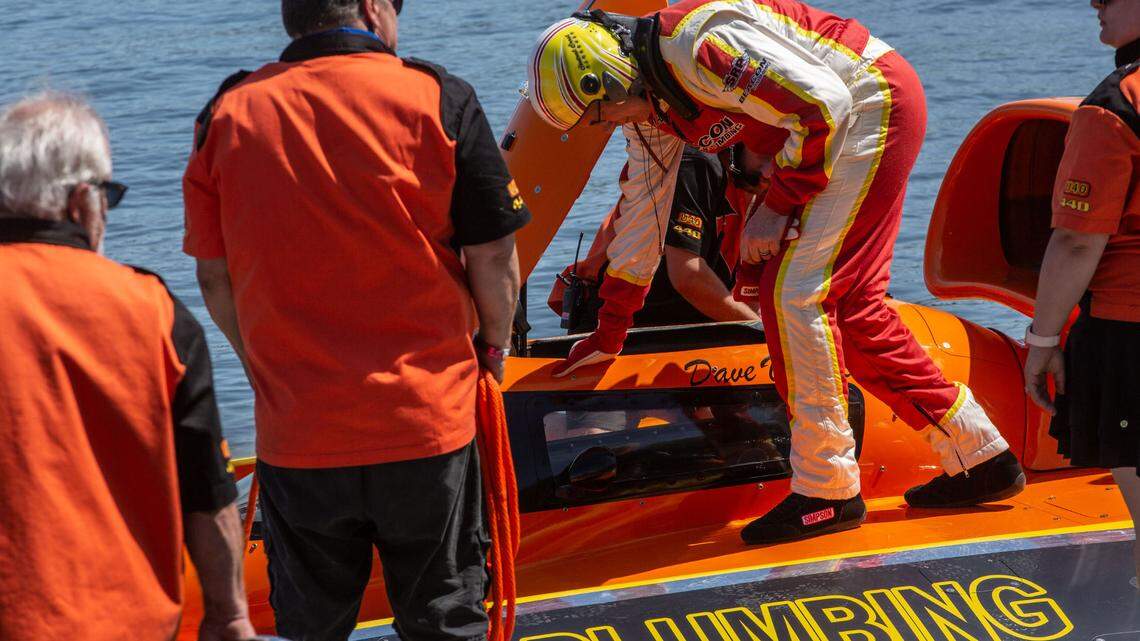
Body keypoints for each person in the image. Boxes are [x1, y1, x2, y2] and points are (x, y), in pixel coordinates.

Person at [527, 0, 1025, 544]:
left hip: (869, 100)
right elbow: (644, 218)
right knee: (852, 309)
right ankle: (981, 455)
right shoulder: (652, 114)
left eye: (602, 114)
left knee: (796, 297)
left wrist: (779, 204)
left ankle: (827, 490)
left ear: (615, 77)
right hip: (845, 117)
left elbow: (825, 104)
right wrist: (609, 331)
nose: (611, 124)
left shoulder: (699, 46)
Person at [182, 0, 530, 638]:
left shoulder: (227, 113)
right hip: (428, 423)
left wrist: (264, 366)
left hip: (300, 432)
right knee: (446, 621)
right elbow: (493, 252)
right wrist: (494, 348)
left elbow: (214, 276)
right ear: (372, 8)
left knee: (311, 626)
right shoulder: (438, 97)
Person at [0, 93, 252, 640]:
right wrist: (229, 614)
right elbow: (207, 491)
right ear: (81, 204)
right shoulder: (150, 310)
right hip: (124, 620)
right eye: (109, 197)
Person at [1025, 0, 1140, 587]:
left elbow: (1076, 240)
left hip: (1129, 328)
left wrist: (1042, 340)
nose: (1094, 3)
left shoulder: (1116, 105)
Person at [549, 145, 764, 332]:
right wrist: (758, 329)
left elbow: (751, 289)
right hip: (625, 322)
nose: (771, 169)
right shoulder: (694, 163)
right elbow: (688, 276)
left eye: (779, 157)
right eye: (765, 153)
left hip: (693, 324)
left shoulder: (767, 184)